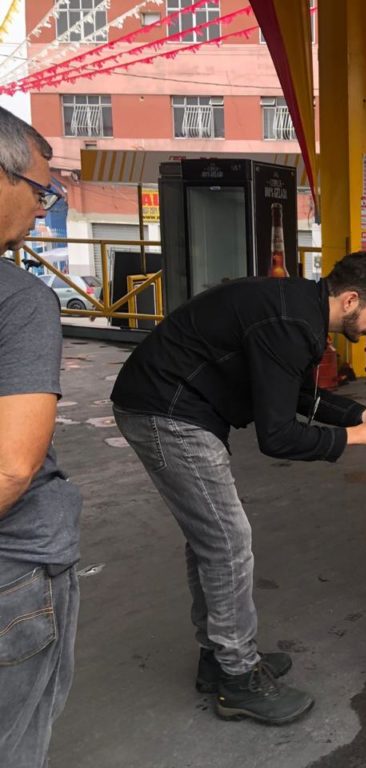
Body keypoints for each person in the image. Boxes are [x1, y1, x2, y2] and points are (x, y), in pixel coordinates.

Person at [111, 253, 366, 725]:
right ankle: (237, 679)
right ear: (350, 299)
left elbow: (286, 388)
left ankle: (219, 658)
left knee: (212, 540)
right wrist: (352, 438)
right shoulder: (293, 324)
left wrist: (358, 415)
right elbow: (277, 435)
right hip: (166, 410)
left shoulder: (298, 310)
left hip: (169, 402)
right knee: (228, 543)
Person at [0, 106, 82, 767]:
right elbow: (11, 468)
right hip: (16, 564)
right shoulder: (20, 299)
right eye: (41, 190)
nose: (43, 208)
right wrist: (347, 437)